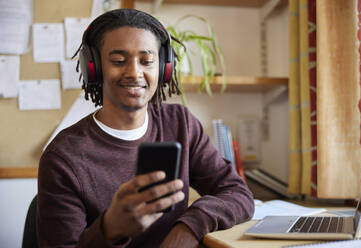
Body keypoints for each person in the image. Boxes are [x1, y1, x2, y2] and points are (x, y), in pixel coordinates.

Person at [37, 8, 254, 248]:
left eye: (147, 61)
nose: (133, 72)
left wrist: (188, 228)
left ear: (164, 67)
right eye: (118, 61)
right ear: (93, 67)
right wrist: (110, 229)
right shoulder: (63, 157)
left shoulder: (180, 124)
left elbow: (237, 193)